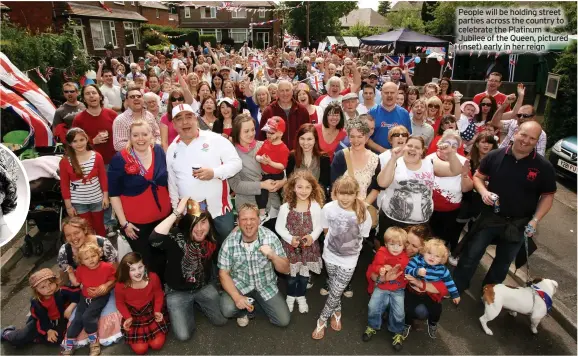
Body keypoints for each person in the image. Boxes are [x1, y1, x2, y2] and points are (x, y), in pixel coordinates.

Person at [453, 121, 556, 293]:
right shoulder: (495, 155)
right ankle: (457, 287)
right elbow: (478, 177)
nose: (526, 140)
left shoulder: (544, 167)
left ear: (537, 141)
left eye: (532, 138)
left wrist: (536, 220)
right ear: (516, 132)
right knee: (471, 255)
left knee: (502, 264)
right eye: (523, 135)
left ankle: (490, 295)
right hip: (490, 218)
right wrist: (484, 192)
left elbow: (548, 195)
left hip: (519, 223)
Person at [150, 198, 227, 341]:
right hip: (177, 292)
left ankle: (197, 305)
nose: (199, 229)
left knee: (221, 321)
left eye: (203, 222)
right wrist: (177, 212)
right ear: (187, 224)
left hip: (203, 287)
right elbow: (154, 239)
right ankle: (188, 309)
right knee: (183, 336)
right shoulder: (176, 235)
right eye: (194, 224)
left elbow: (222, 263)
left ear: (209, 223)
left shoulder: (212, 238)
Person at [166, 104, 242, 243]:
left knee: (226, 248)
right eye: (179, 119)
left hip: (219, 210)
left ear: (196, 119)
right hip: (192, 214)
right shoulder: (172, 149)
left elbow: (236, 163)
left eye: (189, 117)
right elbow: (172, 183)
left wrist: (214, 173)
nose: (185, 122)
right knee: (199, 255)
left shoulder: (215, 139)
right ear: (174, 124)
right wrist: (175, 210)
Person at [108, 120, 171, 278]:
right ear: (129, 137)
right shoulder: (119, 159)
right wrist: (124, 223)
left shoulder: (158, 151)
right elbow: (114, 194)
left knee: (164, 257)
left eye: (144, 134)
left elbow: (170, 181)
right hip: (136, 225)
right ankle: (152, 290)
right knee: (147, 260)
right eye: (135, 135)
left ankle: (165, 290)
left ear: (151, 135)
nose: (140, 138)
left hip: (163, 218)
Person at [312, 176, 371, 340]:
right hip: (329, 255)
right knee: (334, 286)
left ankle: (321, 320)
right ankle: (337, 311)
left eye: (349, 194)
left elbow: (363, 236)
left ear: (356, 194)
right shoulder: (328, 208)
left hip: (349, 259)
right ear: (335, 193)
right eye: (341, 193)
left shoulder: (364, 212)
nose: (345, 198)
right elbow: (326, 231)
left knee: (336, 289)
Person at [218, 203, 291, 328]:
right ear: (238, 222)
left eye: (252, 219)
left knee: (283, 321)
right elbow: (223, 273)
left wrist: (273, 256)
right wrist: (236, 297)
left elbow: (286, 269)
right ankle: (243, 311)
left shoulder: (271, 238)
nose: (248, 223)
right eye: (244, 219)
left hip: (265, 286)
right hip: (240, 285)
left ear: (258, 220)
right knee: (227, 309)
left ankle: (253, 306)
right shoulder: (229, 242)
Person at [377, 136, 463, 238]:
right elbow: (382, 183)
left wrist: (451, 154)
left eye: (417, 147)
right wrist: (393, 159)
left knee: (413, 252)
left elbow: (456, 170)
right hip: (392, 221)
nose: (413, 149)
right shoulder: (395, 162)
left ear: (422, 151)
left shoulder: (430, 163)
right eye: (409, 145)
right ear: (404, 147)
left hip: (420, 224)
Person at [275, 170, 324, 314]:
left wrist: (312, 237)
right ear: (293, 188)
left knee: (304, 276)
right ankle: (291, 296)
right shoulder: (286, 207)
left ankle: (301, 296)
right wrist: (290, 239)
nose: (304, 191)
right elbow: (279, 227)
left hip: (309, 249)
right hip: (290, 248)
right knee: (291, 276)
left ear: (313, 189)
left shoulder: (315, 206)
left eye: (308, 187)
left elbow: (320, 225)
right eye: (300, 187)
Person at [0, 269, 79, 348]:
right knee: (20, 338)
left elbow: (78, 293)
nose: (48, 288)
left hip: (59, 320)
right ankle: (6, 332)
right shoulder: (37, 302)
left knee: (59, 340)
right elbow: (40, 319)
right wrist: (48, 330)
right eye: (43, 287)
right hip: (40, 321)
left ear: (55, 282)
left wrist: (71, 306)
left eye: (50, 283)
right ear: (36, 290)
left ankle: (36, 338)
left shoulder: (61, 291)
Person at [62, 243, 117, 355]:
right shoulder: (81, 269)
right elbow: (77, 283)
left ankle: (94, 342)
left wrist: (105, 286)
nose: (91, 260)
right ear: (81, 261)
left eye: (93, 256)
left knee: (88, 316)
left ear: (99, 254)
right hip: (84, 297)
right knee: (77, 318)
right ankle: (69, 345)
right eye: (86, 258)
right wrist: (70, 273)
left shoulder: (107, 267)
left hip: (100, 296)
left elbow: (114, 279)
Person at [426, 130, 472, 260]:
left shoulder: (463, 162)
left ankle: (437, 268)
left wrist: (464, 175)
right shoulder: (430, 158)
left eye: (454, 145)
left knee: (441, 243)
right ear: (440, 144)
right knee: (426, 240)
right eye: (448, 143)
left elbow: (467, 189)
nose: (450, 148)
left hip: (450, 211)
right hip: (428, 208)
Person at [363, 227, 409, 350]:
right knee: (372, 306)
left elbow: (408, 271)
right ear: (386, 243)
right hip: (382, 286)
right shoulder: (381, 252)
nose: (395, 248)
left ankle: (397, 331)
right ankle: (372, 325)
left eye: (399, 245)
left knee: (399, 312)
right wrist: (381, 269)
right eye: (391, 244)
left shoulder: (406, 258)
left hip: (398, 288)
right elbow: (376, 266)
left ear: (404, 246)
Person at [404, 239, 460, 339]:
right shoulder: (417, 260)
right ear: (424, 252)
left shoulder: (442, 269)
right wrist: (416, 271)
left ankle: (432, 323)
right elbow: (407, 270)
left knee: (436, 310)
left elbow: (449, 282)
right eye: (429, 253)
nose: (432, 257)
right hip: (413, 292)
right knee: (408, 309)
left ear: (442, 259)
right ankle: (406, 324)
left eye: (437, 256)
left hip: (429, 294)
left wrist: (455, 294)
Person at [114, 253, 168, 355]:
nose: (138, 272)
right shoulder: (120, 285)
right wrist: (127, 317)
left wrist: (157, 310)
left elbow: (158, 294)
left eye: (140, 267)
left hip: (151, 313)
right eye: (132, 269)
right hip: (134, 317)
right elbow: (119, 303)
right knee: (140, 350)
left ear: (145, 266)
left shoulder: (153, 277)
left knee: (157, 345)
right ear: (126, 271)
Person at [60, 128, 109, 237]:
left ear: (87, 139)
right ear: (69, 143)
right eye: (75, 141)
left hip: (97, 199)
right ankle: (89, 251)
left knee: (99, 227)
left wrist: (105, 196)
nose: (79, 144)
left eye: (81, 139)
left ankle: (102, 249)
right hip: (78, 202)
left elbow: (103, 178)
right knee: (86, 229)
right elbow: (64, 185)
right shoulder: (65, 161)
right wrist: (68, 206)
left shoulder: (97, 156)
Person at [490, 84, 547, 156]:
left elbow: (540, 156)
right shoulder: (513, 123)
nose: (521, 118)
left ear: (533, 118)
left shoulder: (541, 134)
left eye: (525, 116)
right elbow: (495, 122)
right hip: (501, 156)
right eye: (519, 115)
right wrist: (505, 104)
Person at [72, 85, 118, 167]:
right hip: (91, 163)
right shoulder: (79, 119)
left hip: (114, 161)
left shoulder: (112, 115)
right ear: (84, 99)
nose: (91, 95)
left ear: (100, 97)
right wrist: (93, 141)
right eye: (87, 93)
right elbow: (74, 144)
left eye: (94, 92)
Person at [255, 117, 290, 224]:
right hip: (265, 174)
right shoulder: (266, 143)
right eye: (267, 132)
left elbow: (282, 166)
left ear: (280, 133)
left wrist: (270, 163)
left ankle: (286, 214)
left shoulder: (283, 148)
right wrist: (261, 159)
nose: (268, 134)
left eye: (271, 132)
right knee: (261, 191)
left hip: (277, 175)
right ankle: (262, 213)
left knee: (283, 195)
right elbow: (257, 155)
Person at [258, 80, 310, 150]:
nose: (285, 94)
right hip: (275, 155)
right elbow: (262, 137)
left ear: (292, 92)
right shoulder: (269, 111)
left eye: (287, 90)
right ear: (277, 93)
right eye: (282, 91)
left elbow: (308, 133)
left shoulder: (302, 110)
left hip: (297, 154)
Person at [286, 124, 331, 197]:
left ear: (315, 140)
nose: (305, 143)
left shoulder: (324, 158)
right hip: (296, 199)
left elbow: (324, 185)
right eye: (302, 138)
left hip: (316, 199)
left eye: (309, 139)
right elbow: (289, 183)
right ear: (298, 139)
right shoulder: (292, 157)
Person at [112, 87, 161, 152]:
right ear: (127, 101)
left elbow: (158, 135)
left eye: (139, 96)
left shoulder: (149, 115)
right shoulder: (120, 120)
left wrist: (154, 143)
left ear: (143, 100)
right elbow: (118, 145)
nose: (136, 98)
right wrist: (141, 144)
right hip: (131, 158)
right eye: (132, 97)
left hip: (152, 154)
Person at [368, 82, 412, 153]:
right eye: (386, 92)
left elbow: (408, 136)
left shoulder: (404, 113)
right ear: (381, 94)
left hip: (399, 156)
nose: (389, 95)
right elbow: (366, 138)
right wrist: (384, 151)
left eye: (392, 92)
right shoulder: (372, 112)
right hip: (377, 156)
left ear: (397, 94)